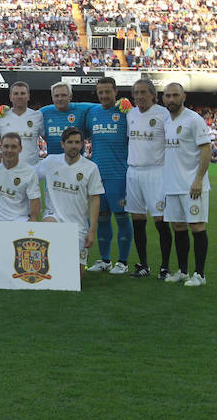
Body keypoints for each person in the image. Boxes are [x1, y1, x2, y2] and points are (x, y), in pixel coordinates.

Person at [161, 83, 212, 286]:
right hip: (172, 184)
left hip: (192, 185)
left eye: (175, 95)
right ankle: (183, 271)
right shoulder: (167, 121)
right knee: (178, 228)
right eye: (167, 96)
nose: (171, 99)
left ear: (184, 97)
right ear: (163, 98)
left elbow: (206, 149)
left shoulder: (193, 120)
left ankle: (199, 274)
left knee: (197, 227)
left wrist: (199, 179)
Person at [36, 127, 104, 278]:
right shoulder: (50, 161)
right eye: (70, 142)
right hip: (53, 216)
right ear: (62, 144)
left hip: (77, 225)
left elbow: (94, 200)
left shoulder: (91, 168)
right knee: (48, 226)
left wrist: (92, 230)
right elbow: (29, 176)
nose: (74, 146)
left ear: (82, 144)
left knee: (76, 276)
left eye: (77, 142)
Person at [85, 77, 133, 275]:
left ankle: (122, 261)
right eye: (100, 92)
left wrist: (130, 105)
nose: (104, 96)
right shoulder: (92, 113)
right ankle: (105, 260)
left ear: (116, 92)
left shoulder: (126, 112)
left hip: (118, 175)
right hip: (97, 175)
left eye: (107, 91)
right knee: (102, 219)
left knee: (121, 217)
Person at [125, 79, 172, 278]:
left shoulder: (163, 114)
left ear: (153, 94)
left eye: (144, 92)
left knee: (160, 220)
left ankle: (165, 266)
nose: (140, 96)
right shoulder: (131, 114)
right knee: (137, 219)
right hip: (133, 172)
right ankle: (143, 265)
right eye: (136, 92)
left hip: (156, 172)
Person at [0, 132, 41, 222]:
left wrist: (33, 220)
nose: (9, 150)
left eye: (13, 147)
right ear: (0, 147)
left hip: (19, 220)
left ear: (20, 149)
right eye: (6, 146)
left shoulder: (29, 171)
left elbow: (34, 200)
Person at [0, 81, 44, 166]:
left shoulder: (37, 116)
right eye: (16, 93)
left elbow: (47, 138)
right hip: (7, 170)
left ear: (28, 96)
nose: (19, 96)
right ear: (10, 97)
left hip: (31, 170)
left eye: (23, 93)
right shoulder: (1, 117)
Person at [39, 82, 93, 156]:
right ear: (52, 97)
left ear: (70, 96)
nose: (60, 99)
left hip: (75, 163)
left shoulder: (82, 109)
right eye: (56, 96)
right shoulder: (43, 112)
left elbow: (101, 107)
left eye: (63, 95)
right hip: (53, 163)